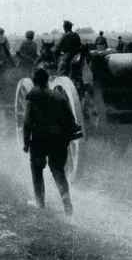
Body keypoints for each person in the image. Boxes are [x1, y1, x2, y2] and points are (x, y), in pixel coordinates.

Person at [23, 68, 81, 215]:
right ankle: (66, 199)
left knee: (37, 169)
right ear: (47, 81)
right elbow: (70, 120)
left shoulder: (33, 95)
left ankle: (40, 203)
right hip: (58, 139)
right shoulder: (59, 96)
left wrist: (26, 141)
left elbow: (27, 121)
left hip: (39, 139)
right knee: (58, 170)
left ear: (35, 82)